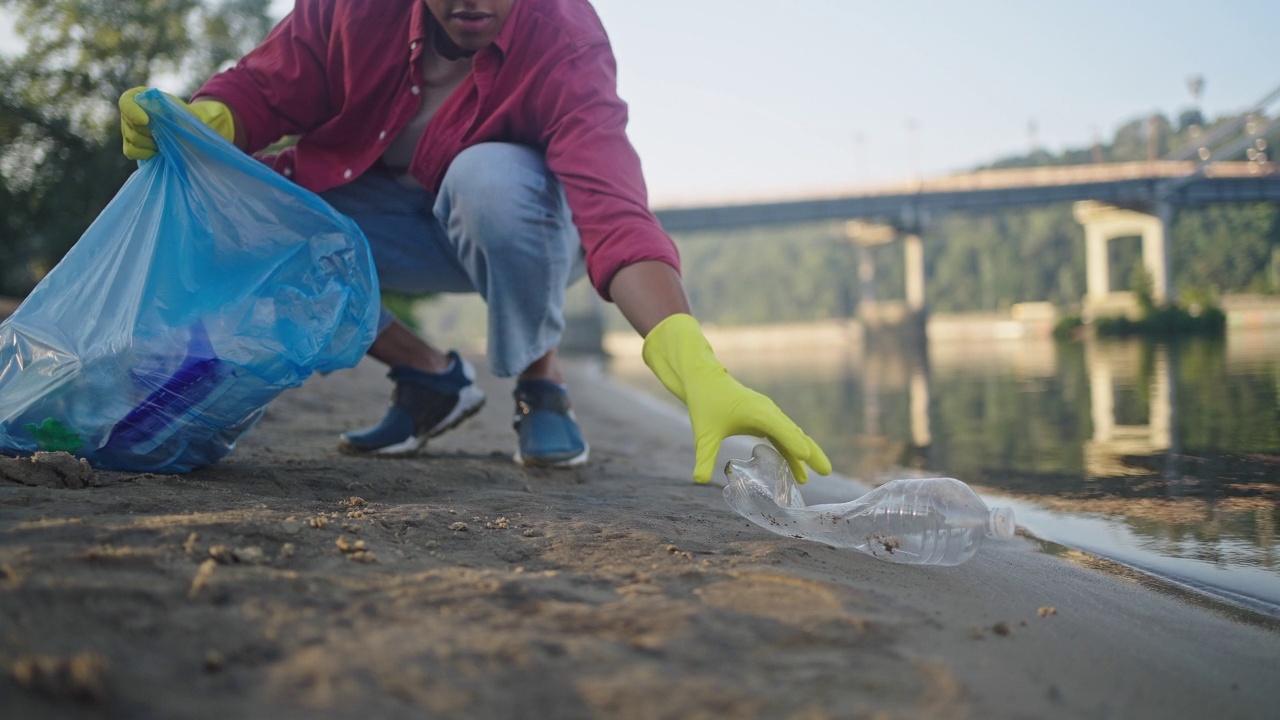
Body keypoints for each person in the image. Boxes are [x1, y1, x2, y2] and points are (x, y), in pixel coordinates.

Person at [119, 0, 830, 484]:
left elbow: (612, 208)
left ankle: (541, 386)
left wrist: (696, 365)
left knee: (488, 177)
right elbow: (264, 90)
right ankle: (428, 374)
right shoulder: (351, 10)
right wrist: (207, 117)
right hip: (389, 216)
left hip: (525, 227)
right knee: (246, 203)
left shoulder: (564, 35)